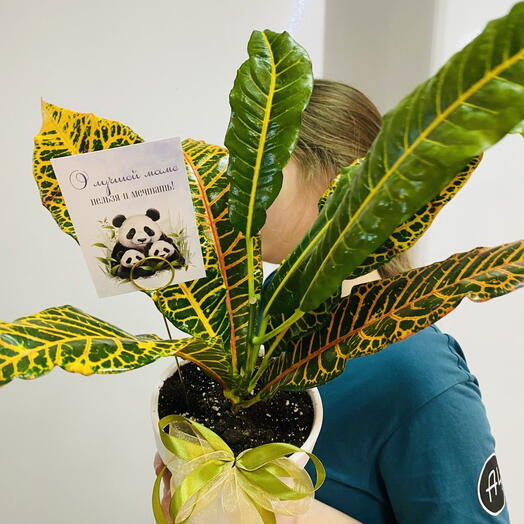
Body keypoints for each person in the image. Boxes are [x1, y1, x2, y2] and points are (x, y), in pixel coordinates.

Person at [154, 79, 509, 523]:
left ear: (337, 181)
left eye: (259, 169)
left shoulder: (418, 372)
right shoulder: (254, 316)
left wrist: (287, 511)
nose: (232, 189)